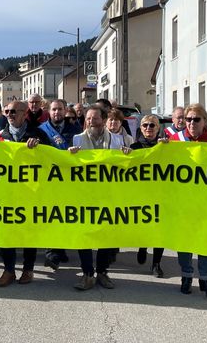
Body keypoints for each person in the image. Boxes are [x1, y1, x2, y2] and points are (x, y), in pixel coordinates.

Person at [0, 101, 49, 287]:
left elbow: (51, 159)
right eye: (6, 111)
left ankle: (28, 269)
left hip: (30, 192)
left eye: (13, 111)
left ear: (25, 113)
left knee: (27, 233)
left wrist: (40, 148)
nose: (9, 114)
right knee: (7, 232)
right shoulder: (0, 135)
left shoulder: (38, 134)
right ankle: (9, 270)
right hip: (8, 193)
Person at [69, 106, 129, 291]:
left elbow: (127, 167)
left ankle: (102, 272)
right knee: (84, 235)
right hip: (85, 195)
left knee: (105, 235)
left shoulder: (119, 140)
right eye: (88, 118)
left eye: (95, 119)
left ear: (103, 120)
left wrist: (127, 155)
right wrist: (70, 155)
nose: (91, 122)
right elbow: (71, 167)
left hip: (108, 195)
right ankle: (87, 274)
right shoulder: (77, 139)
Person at [169, 103, 207, 299]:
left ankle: (206, 279)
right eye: (188, 119)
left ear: (205, 122)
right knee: (185, 240)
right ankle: (186, 276)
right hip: (183, 202)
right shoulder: (174, 141)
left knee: (206, 240)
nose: (191, 123)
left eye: (196, 119)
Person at [38, 99, 82, 270]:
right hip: (48, 178)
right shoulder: (41, 131)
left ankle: (60, 249)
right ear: (49, 111)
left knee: (65, 215)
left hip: (69, 178)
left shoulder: (75, 129)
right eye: (54, 109)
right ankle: (51, 253)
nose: (57, 113)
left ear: (65, 111)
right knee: (51, 214)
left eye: (60, 109)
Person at [129, 115, 166, 278]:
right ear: (141, 128)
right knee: (143, 224)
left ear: (158, 128)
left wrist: (167, 148)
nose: (149, 128)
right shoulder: (134, 146)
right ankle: (143, 246)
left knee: (160, 228)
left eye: (152, 125)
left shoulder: (166, 146)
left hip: (160, 193)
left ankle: (156, 263)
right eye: (145, 125)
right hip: (140, 193)